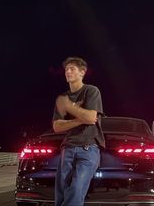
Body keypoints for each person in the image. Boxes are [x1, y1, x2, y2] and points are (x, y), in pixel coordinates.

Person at [52, 57, 105, 206]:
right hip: (67, 148)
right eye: (66, 69)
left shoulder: (91, 91)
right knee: (61, 192)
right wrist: (81, 118)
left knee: (76, 188)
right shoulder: (63, 98)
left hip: (88, 149)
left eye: (72, 69)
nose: (68, 72)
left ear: (82, 72)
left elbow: (91, 117)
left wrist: (69, 108)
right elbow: (56, 126)